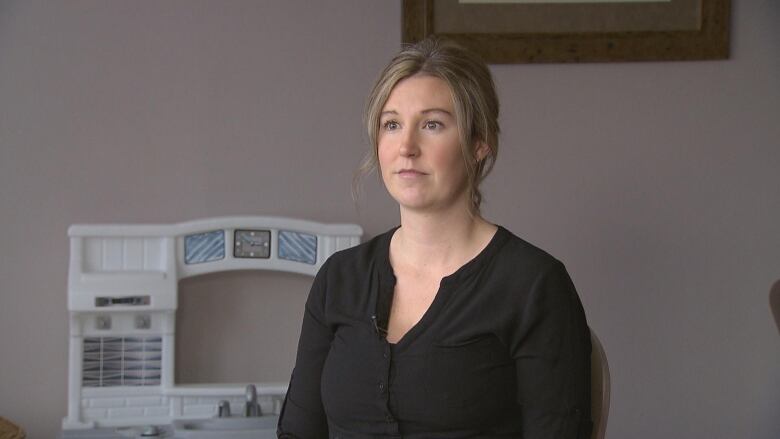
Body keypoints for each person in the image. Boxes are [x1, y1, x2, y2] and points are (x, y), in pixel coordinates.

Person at [277, 36, 592, 438]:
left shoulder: (533, 286)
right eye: (392, 124)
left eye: (432, 125)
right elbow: (298, 432)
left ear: (479, 143)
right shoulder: (339, 279)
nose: (406, 147)